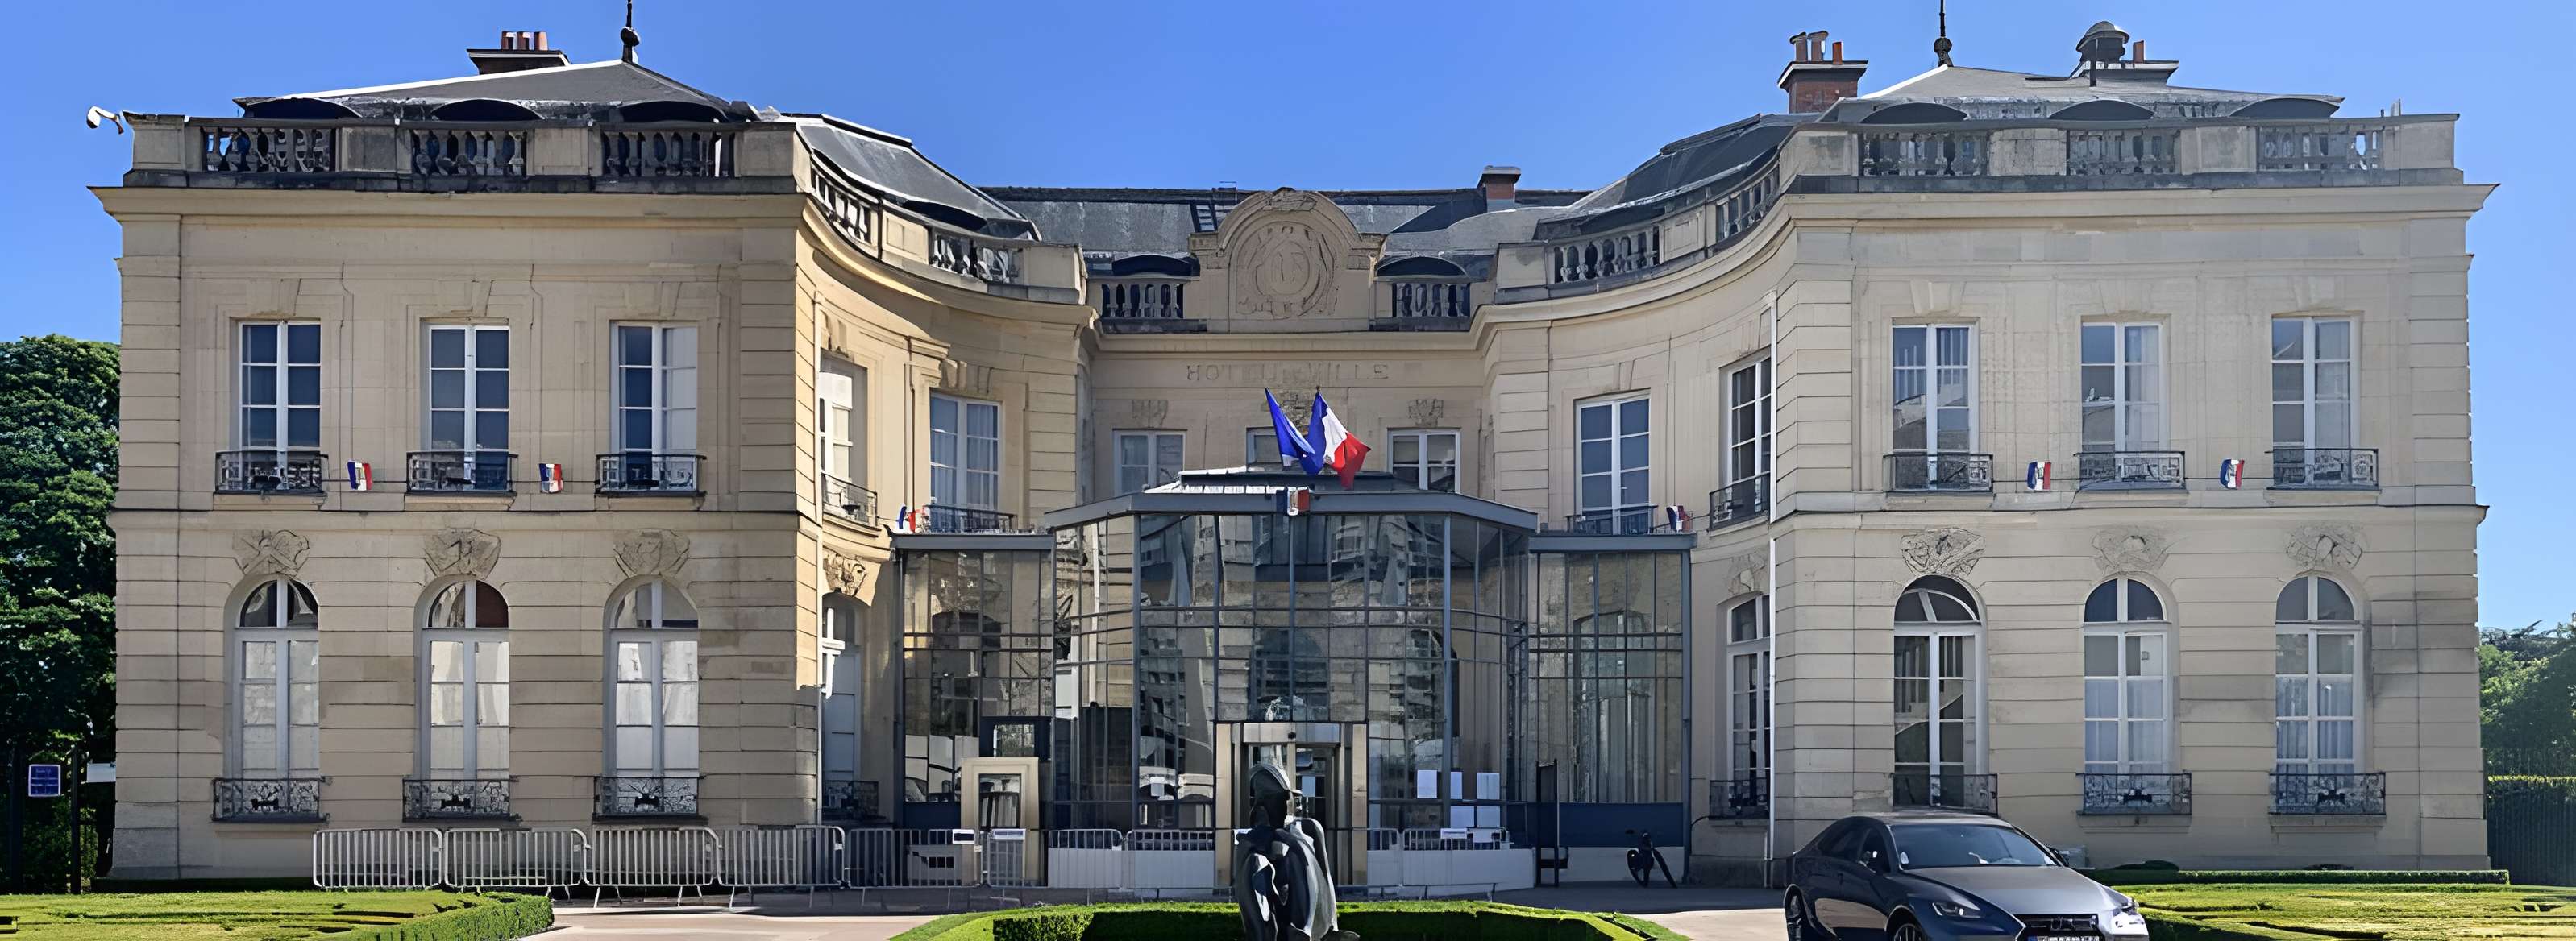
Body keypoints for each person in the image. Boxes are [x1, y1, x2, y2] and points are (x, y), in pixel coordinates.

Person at [1233, 761, 1354, 941]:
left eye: (1280, 799)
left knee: (1296, 851)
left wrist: (1332, 923)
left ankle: (1303, 928)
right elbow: (1246, 879)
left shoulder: (1306, 829)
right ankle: (1264, 934)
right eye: (1268, 800)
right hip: (1276, 911)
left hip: (1304, 913)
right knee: (1255, 862)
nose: (1278, 806)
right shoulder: (1253, 839)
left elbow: (1325, 874)